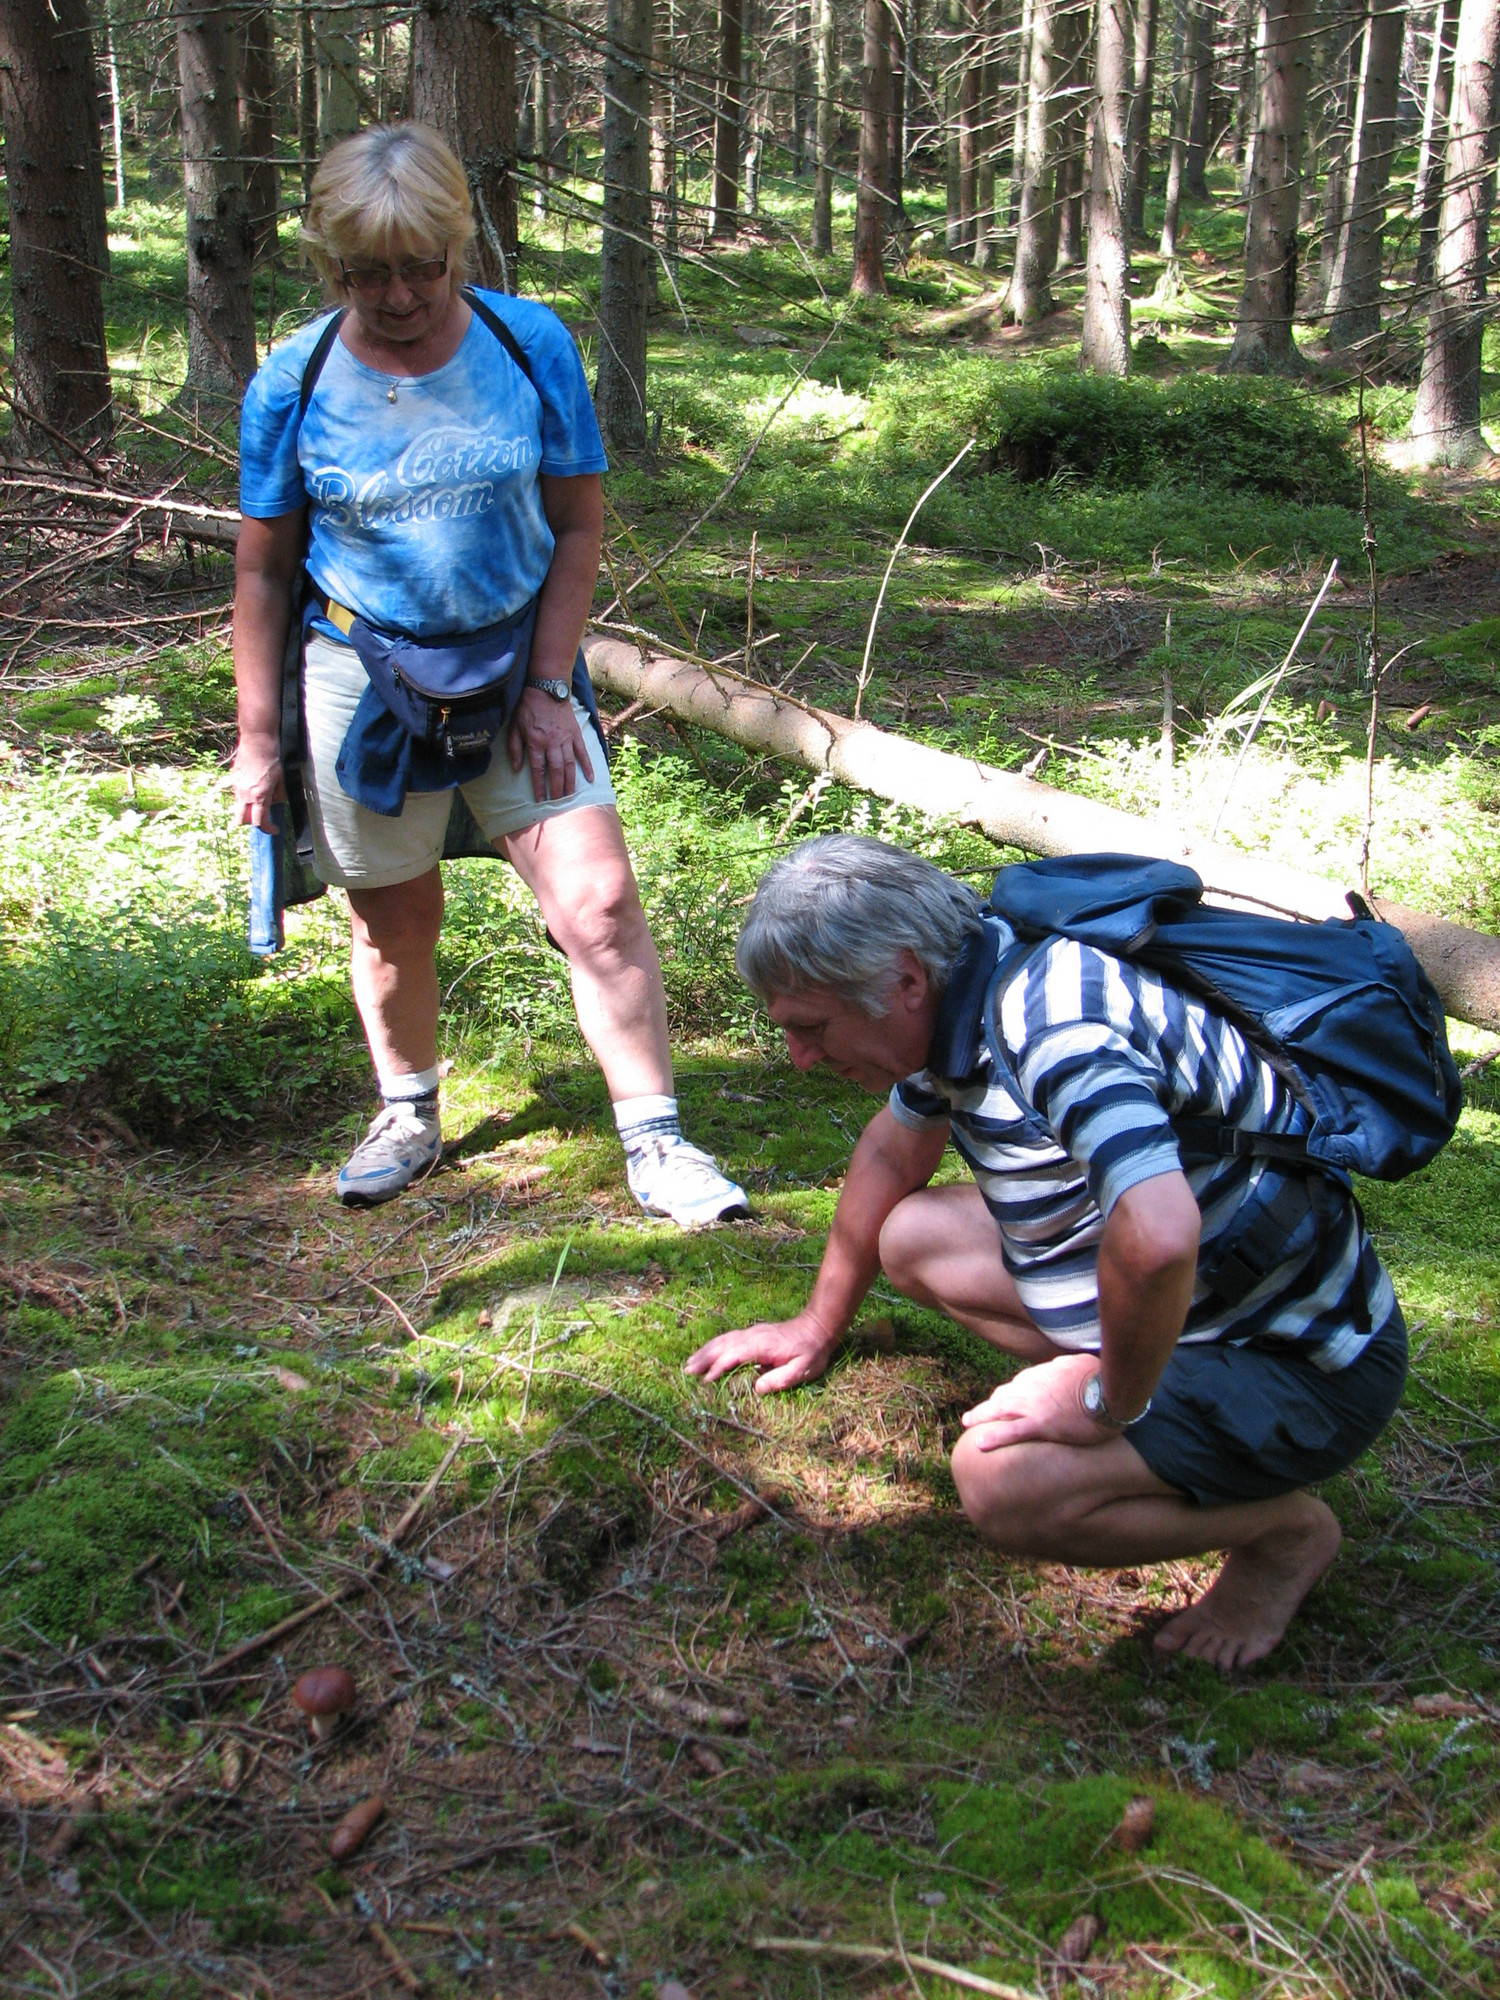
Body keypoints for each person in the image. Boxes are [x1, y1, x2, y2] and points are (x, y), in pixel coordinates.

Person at [686, 835, 1408, 1670]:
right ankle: (1143, 1402)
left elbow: (1160, 1235)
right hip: (1203, 1297)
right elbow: (892, 1151)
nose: (801, 1058)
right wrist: (815, 1326)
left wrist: (1103, 1400)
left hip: (1301, 1362)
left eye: (812, 1027)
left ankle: (1283, 1534)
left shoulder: (1055, 1029)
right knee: (912, 1238)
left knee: (1002, 1484)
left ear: (904, 979)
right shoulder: (974, 975)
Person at [231, 123, 746, 1226]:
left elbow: (577, 525)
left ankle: (657, 1139)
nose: (399, 296)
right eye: (367, 273)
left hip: (518, 665)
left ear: (460, 248)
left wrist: (552, 686)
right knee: (393, 917)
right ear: (329, 264)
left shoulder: (528, 344)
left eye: (423, 267)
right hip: (359, 674)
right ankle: (408, 1113)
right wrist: (259, 738)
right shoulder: (294, 379)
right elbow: (265, 571)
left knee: (598, 903)